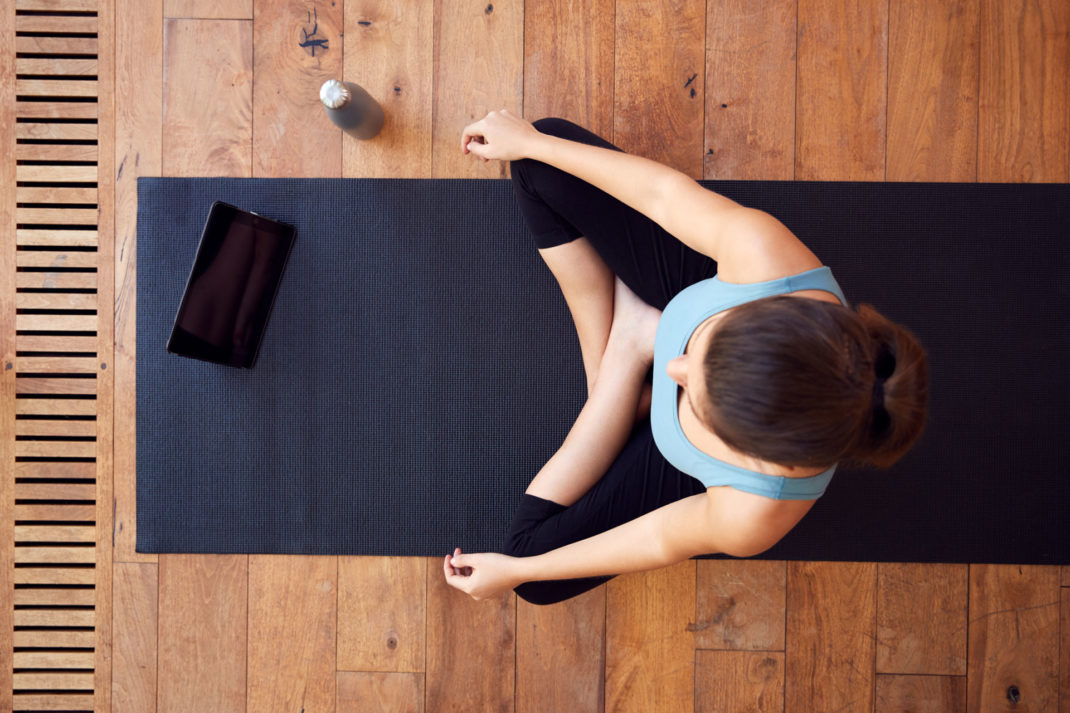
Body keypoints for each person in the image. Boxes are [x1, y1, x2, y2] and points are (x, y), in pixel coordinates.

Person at [443, 111, 928, 605]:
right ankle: (623, 353)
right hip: (684, 289)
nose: (673, 366)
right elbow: (664, 196)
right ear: (755, 312)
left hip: (676, 401)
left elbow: (659, 538)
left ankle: (625, 356)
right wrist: (530, 142)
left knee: (531, 578)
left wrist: (520, 568)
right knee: (539, 156)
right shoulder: (765, 260)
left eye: (694, 398)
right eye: (699, 350)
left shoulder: (754, 511)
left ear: (751, 447)